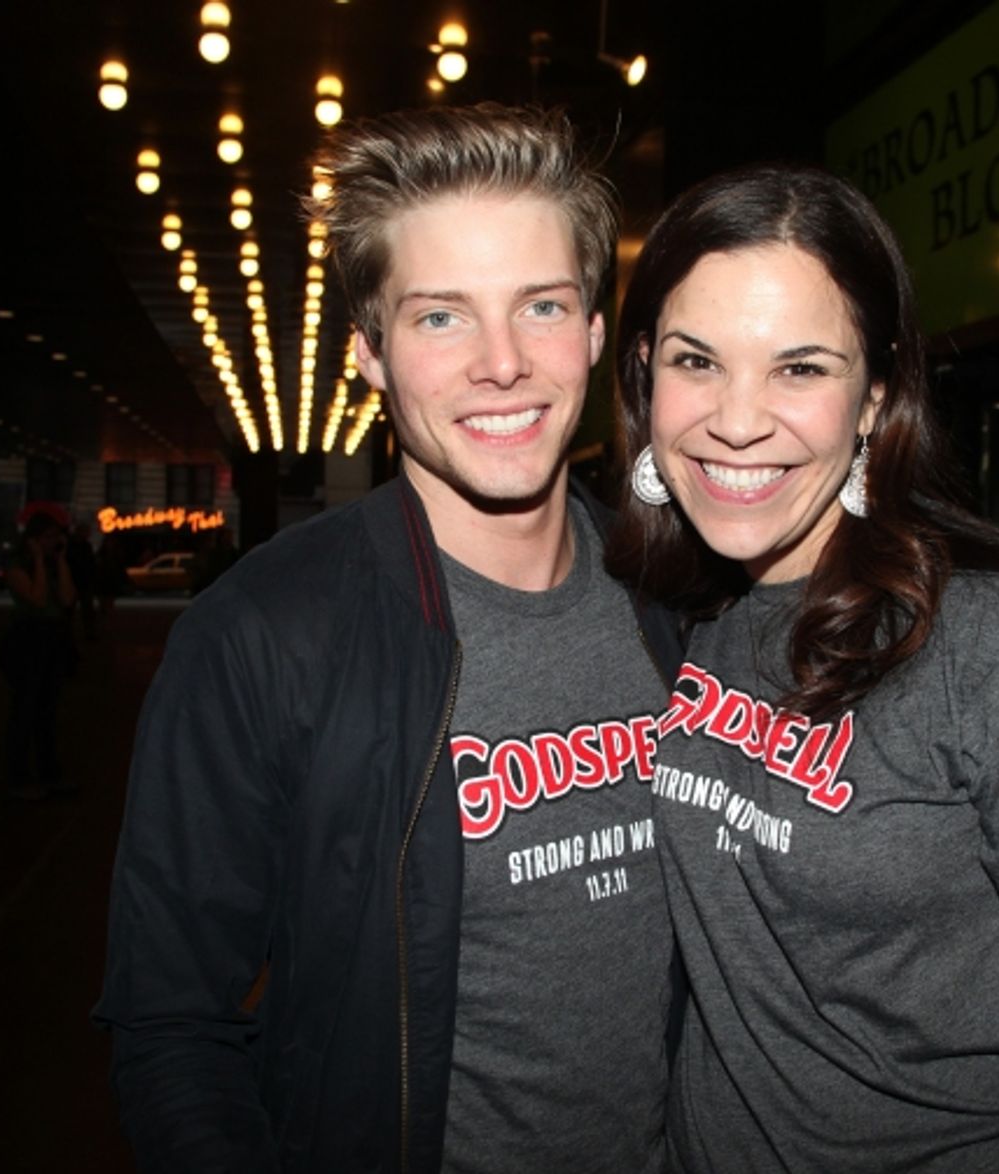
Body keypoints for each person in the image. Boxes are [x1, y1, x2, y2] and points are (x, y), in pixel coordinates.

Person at [94, 105, 683, 1172]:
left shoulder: (678, 604)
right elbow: (172, 1026)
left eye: (542, 306)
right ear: (369, 353)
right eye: (440, 317)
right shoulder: (261, 637)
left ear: (597, 333)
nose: (502, 363)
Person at [608, 164, 999, 1173]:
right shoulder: (672, 613)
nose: (737, 419)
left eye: (800, 368)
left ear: (874, 397)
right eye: (696, 361)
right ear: (644, 374)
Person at [0, 509, 76, 799]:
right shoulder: (18, 567)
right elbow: (38, 598)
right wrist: (40, 562)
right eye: (47, 537)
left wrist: (61, 561)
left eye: (56, 537)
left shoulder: (56, 564)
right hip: (28, 640)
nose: (53, 542)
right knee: (25, 709)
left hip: (52, 640)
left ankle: (49, 772)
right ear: (33, 540)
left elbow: (67, 598)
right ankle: (19, 777)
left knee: (47, 710)